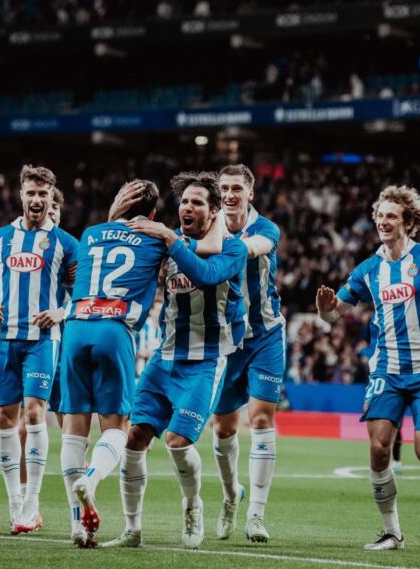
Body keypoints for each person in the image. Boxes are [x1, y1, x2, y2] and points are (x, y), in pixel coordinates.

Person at [316, 185, 420, 551]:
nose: (383, 221)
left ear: (408, 221)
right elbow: (333, 316)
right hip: (387, 372)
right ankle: (392, 532)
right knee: (379, 449)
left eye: (391, 216)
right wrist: (324, 307)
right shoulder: (368, 269)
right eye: (379, 216)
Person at [103, 171, 248, 550]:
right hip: (164, 359)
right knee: (135, 438)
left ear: (214, 211)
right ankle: (132, 529)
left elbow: (205, 274)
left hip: (205, 361)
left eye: (197, 202)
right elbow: (116, 259)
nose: (187, 207)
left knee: (178, 440)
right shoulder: (168, 245)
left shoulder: (234, 249)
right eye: (184, 201)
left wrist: (169, 238)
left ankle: (192, 505)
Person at [57, 179, 171, 548]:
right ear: (152, 214)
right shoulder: (158, 238)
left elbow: (112, 237)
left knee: (74, 429)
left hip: (75, 327)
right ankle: (90, 479)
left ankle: (78, 525)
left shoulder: (91, 232)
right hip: (114, 327)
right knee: (117, 428)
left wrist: (112, 217)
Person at [0, 166, 78, 535]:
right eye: (31, 193)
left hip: (43, 341)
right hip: (4, 341)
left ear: (52, 196)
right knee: (6, 418)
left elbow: (79, 292)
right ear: (20, 194)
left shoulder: (67, 243)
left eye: (43, 194)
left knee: (36, 413)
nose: (37, 200)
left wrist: (60, 311)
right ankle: (16, 503)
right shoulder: (0, 239)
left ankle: (35, 504)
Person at [209, 164, 286, 544]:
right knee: (222, 428)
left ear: (250, 193)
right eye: (224, 187)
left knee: (259, 420)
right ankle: (230, 496)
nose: (229, 194)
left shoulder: (266, 228)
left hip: (266, 337)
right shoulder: (208, 226)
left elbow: (257, 248)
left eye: (237, 187)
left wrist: (213, 243)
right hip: (225, 341)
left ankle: (256, 514)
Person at [15, 188, 75, 505]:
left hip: (65, 352)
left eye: (54, 214)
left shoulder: (67, 254)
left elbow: (82, 298)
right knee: (27, 423)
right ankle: (27, 497)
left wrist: (61, 312)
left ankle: (78, 490)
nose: (48, 217)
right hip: (34, 346)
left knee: (70, 427)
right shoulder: (22, 254)